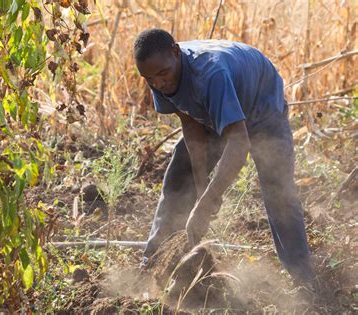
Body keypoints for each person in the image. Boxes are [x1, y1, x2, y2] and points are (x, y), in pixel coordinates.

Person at [134, 28, 316, 288]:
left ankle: (303, 279)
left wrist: (208, 202)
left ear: (176, 52)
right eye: (150, 79)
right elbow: (191, 123)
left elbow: (239, 141)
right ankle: (152, 262)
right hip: (215, 109)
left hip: (261, 106)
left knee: (278, 192)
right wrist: (199, 188)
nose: (159, 84)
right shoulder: (158, 72)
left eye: (163, 74)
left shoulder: (211, 74)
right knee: (180, 172)